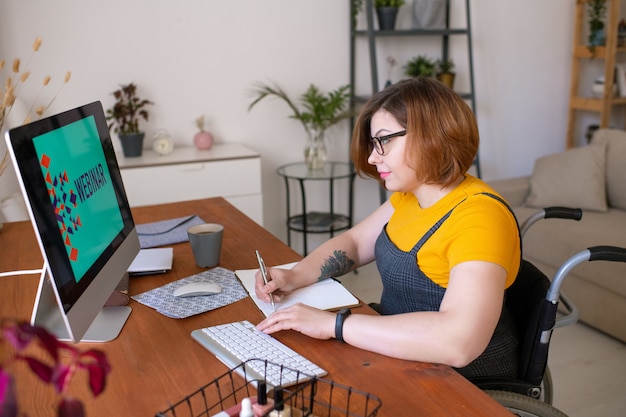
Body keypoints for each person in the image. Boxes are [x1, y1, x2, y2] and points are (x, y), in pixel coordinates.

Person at [255, 77, 521, 379]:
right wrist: (294, 276)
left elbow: (459, 342)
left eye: (384, 140)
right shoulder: (410, 195)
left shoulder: (480, 217)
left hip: (460, 381)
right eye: (373, 143)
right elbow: (355, 243)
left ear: (430, 134)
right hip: (397, 350)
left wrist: (334, 325)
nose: (372, 157)